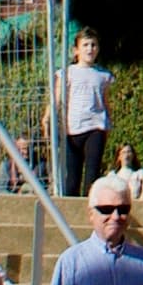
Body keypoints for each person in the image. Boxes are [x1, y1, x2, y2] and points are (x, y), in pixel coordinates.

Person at [58, 30, 117, 188]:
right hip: (72, 128)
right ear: (76, 50)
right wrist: (49, 117)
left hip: (96, 126)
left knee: (92, 174)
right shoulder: (67, 73)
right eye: (85, 45)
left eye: (93, 45)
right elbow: (58, 99)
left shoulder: (103, 75)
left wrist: (109, 123)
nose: (90, 49)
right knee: (72, 178)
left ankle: (91, 200)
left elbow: (106, 100)